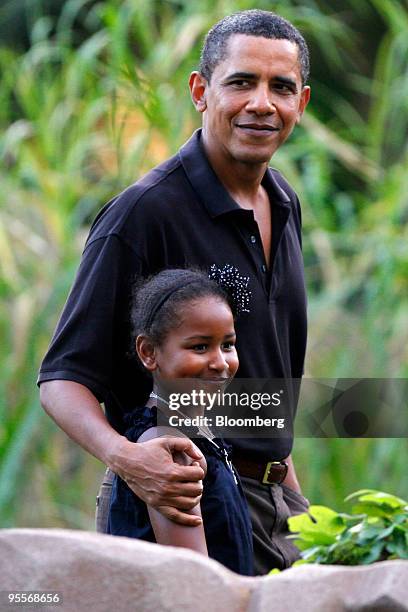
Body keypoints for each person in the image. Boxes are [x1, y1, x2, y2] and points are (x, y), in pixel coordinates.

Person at [38, 9, 311, 574]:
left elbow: (264, 392)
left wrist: (301, 511)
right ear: (200, 91)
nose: (262, 103)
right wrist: (132, 460)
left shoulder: (284, 204)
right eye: (241, 82)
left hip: (276, 499)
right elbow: (63, 378)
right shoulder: (144, 214)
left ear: (300, 104)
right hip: (184, 501)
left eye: (280, 87)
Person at [108, 268, 254, 575]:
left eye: (227, 345)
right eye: (199, 347)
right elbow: (194, 582)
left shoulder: (200, 433)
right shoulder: (167, 449)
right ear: (149, 352)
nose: (220, 363)